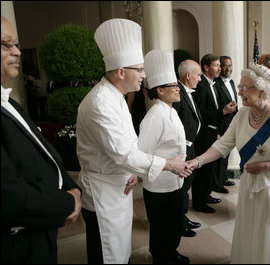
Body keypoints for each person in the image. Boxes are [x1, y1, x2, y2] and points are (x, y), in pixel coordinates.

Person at [76, 19, 190, 264]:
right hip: (103, 193)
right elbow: (123, 154)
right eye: (139, 69)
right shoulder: (100, 103)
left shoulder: (115, 96)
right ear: (121, 71)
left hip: (118, 186)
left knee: (120, 251)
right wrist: (169, 165)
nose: (144, 75)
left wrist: (132, 173)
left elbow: (126, 147)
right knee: (107, 253)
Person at [187, 63, 270, 263]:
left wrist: (266, 166)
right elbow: (223, 144)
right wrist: (196, 162)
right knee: (252, 229)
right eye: (239, 86)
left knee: (269, 232)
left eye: (244, 87)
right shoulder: (242, 115)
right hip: (250, 186)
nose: (239, 92)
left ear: (261, 90)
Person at [1, 15, 82, 264]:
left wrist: (72, 186)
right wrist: (67, 201)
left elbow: (44, 151)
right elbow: (10, 196)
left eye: (16, 44)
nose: (17, 51)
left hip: (39, 236)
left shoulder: (11, 103)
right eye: (6, 44)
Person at [137, 49, 189, 264]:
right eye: (173, 86)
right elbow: (142, 154)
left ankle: (171, 253)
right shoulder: (154, 117)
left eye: (178, 85)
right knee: (162, 227)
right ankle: (162, 258)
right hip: (159, 185)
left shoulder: (171, 110)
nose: (178, 89)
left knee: (175, 224)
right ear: (159, 90)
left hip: (176, 180)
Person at [191, 53, 236, 213]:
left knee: (209, 168)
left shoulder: (213, 84)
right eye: (216, 65)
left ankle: (206, 195)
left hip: (212, 131)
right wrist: (223, 111)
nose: (220, 68)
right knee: (203, 168)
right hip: (203, 133)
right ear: (206, 67)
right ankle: (199, 202)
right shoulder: (201, 85)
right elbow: (201, 113)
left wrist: (217, 129)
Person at [172, 59, 203, 237]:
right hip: (181, 148)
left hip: (190, 146)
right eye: (198, 75)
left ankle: (183, 218)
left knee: (186, 185)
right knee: (181, 187)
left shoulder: (187, 92)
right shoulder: (177, 92)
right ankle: (179, 223)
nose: (200, 79)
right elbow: (172, 121)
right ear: (188, 75)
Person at [213, 55, 238, 194]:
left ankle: (223, 178)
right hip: (221, 123)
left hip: (232, 122)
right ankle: (217, 183)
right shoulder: (215, 84)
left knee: (227, 153)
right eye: (224, 65)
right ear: (220, 67)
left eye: (230, 65)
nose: (227, 68)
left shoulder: (232, 82)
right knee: (220, 154)